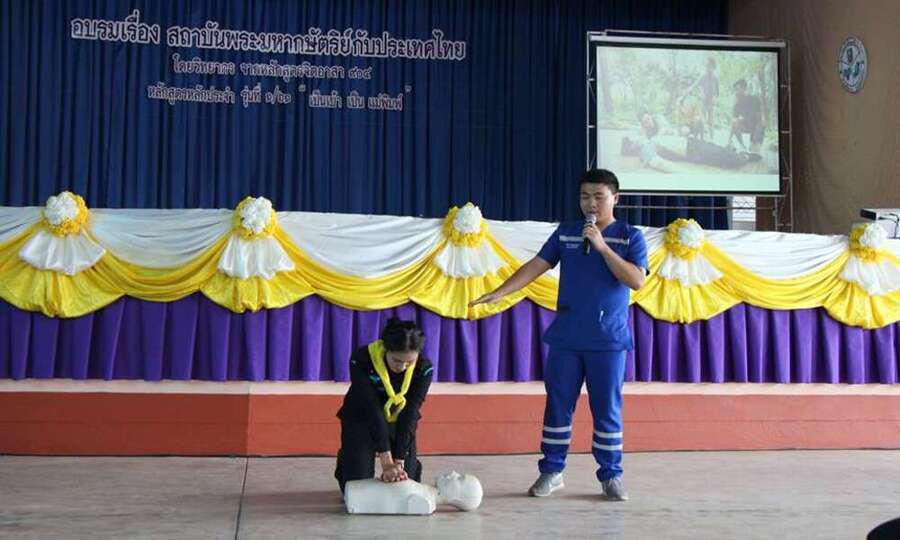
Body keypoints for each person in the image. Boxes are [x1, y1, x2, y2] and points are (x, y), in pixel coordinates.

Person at [470, 169, 648, 501]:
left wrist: (602, 247)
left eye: (598, 196)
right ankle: (551, 471)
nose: (590, 203)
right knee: (557, 406)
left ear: (615, 198)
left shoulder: (630, 236)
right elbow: (537, 265)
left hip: (607, 340)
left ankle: (611, 475)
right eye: (584, 197)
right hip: (566, 337)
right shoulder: (567, 233)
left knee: (607, 408)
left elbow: (636, 280)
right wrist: (500, 292)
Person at [334, 318, 434, 493]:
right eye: (397, 360)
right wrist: (386, 461)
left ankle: (408, 462)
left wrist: (399, 460)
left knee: (406, 483)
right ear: (386, 349)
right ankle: (348, 461)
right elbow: (371, 408)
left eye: (409, 362)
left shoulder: (424, 368)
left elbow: (410, 412)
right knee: (356, 487)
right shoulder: (361, 359)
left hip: (399, 421)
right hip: (362, 417)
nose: (402, 367)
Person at [728, 79, 764, 153]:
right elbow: (733, 123)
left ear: (744, 88)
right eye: (735, 90)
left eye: (737, 89)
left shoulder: (754, 99)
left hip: (756, 127)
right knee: (734, 122)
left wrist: (755, 139)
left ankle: (755, 144)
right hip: (746, 125)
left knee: (754, 152)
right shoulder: (737, 104)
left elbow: (760, 119)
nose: (736, 92)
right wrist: (729, 140)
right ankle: (742, 146)